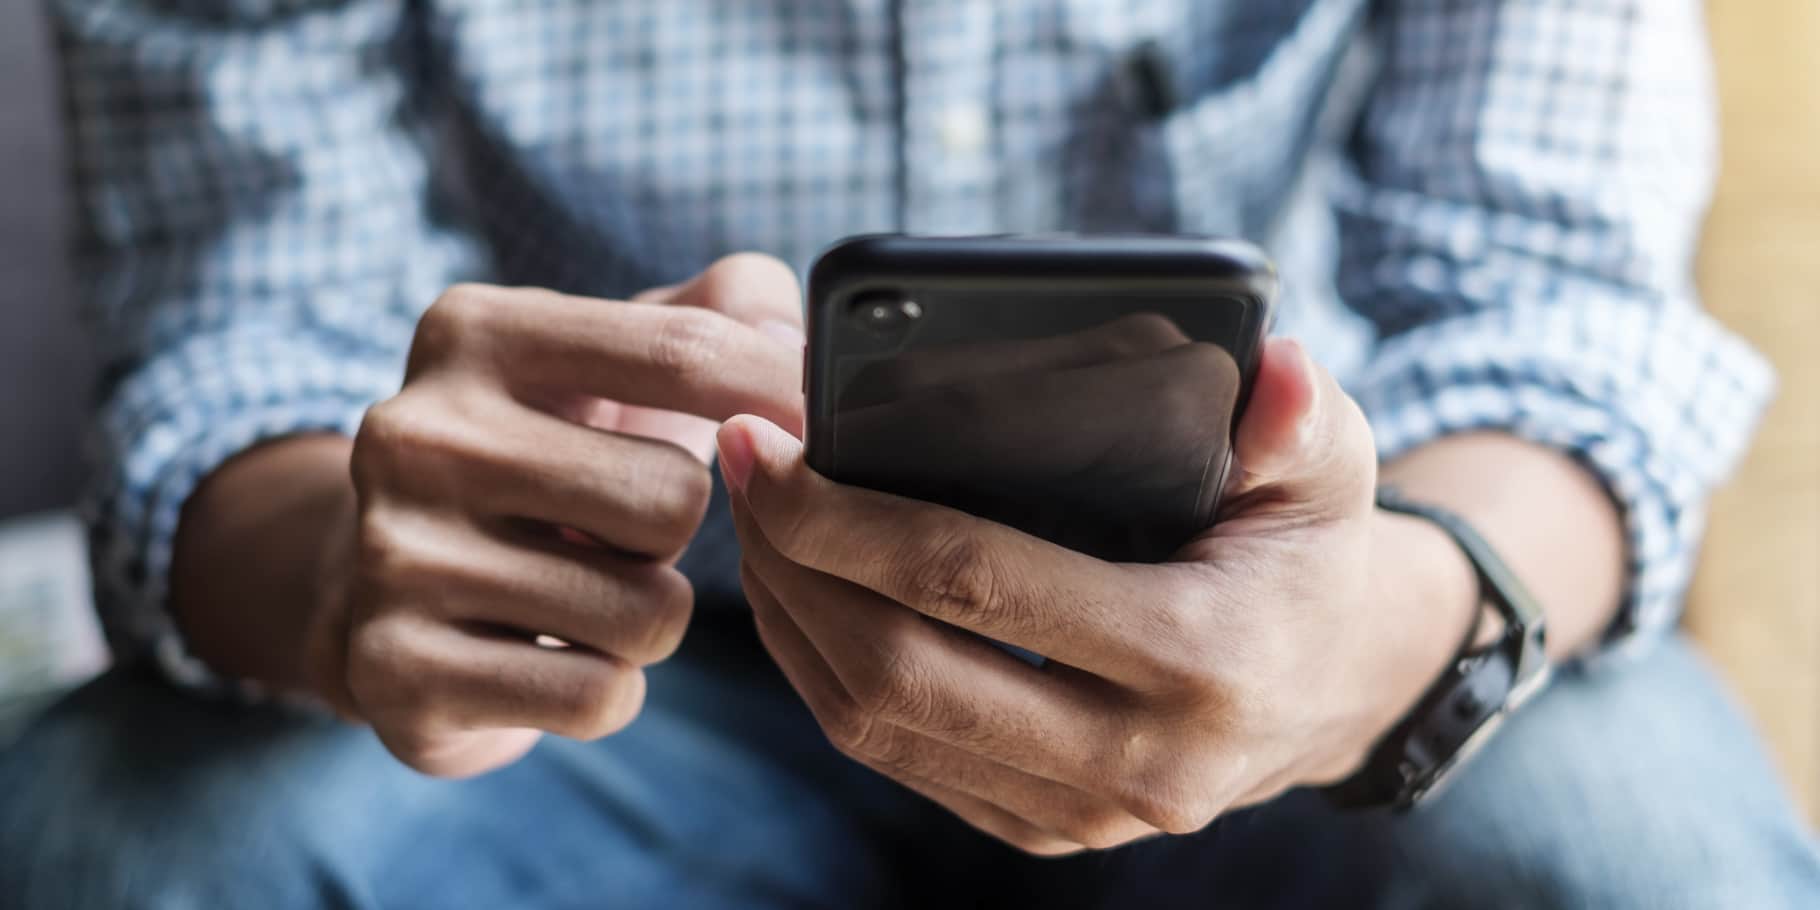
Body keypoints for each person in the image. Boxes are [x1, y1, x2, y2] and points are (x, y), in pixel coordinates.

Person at [5, 0, 1817, 906]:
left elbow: (1553, 303)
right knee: (129, 847)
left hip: (1297, 613)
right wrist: (354, 575)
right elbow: (240, 331)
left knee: (1640, 852)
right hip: (628, 666)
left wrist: (1388, 637)